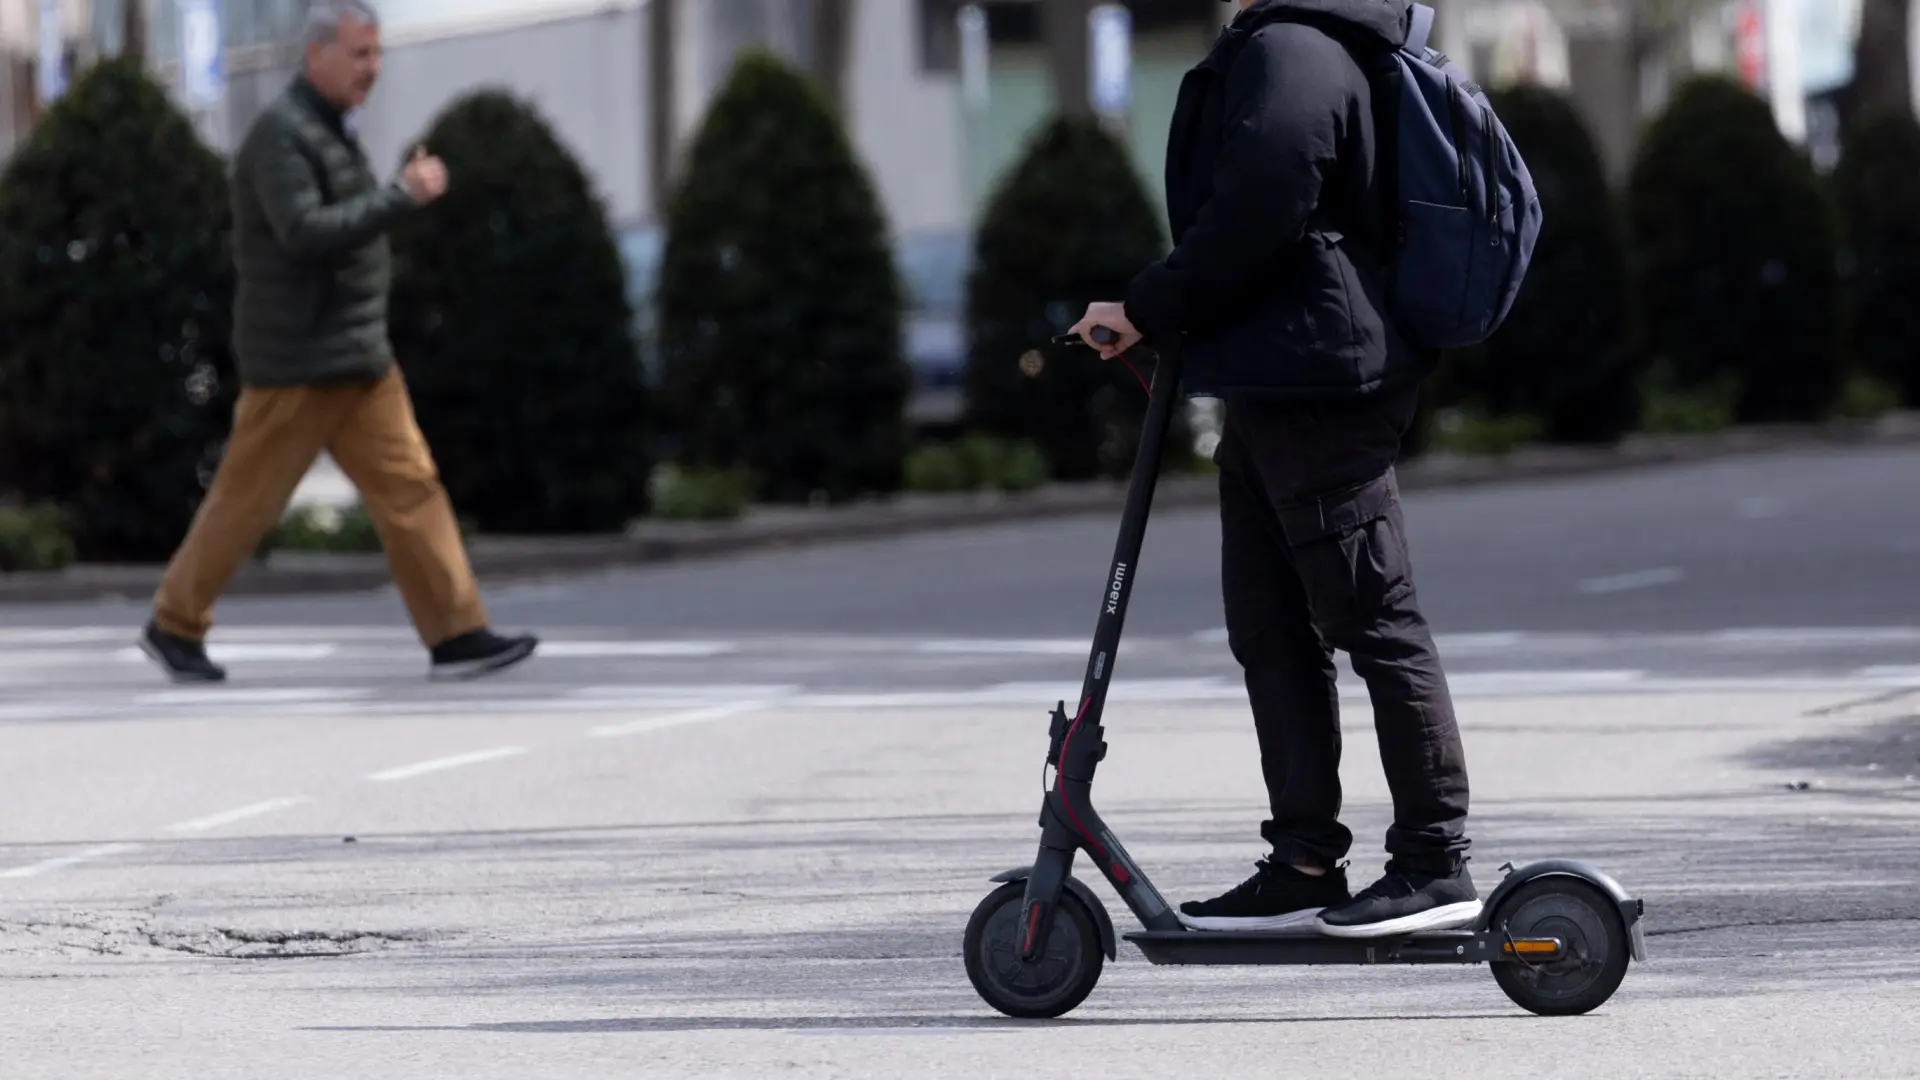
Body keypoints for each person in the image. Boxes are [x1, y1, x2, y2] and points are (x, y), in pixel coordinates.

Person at [1069, 0, 1477, 938]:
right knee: (1270, 627)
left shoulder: (1295, 50)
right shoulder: (1282, 45)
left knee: (1372, 619)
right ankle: (1302, 860)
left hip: (1322, 383)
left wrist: (1149, 304)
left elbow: (1265, 201)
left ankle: (1433, 861)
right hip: (1272, 380)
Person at [139, 0, 538, 685]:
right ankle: (174, 622)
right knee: (248, 501)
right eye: (360, 54)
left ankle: (457, 632)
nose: (373, 69)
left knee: (412, 488)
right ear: (315, 54)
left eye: (377, 54)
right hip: (299, 362)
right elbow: (306, 232)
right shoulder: (281, 135)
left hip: (355, 357)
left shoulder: (326, 130)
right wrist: (401, 196)